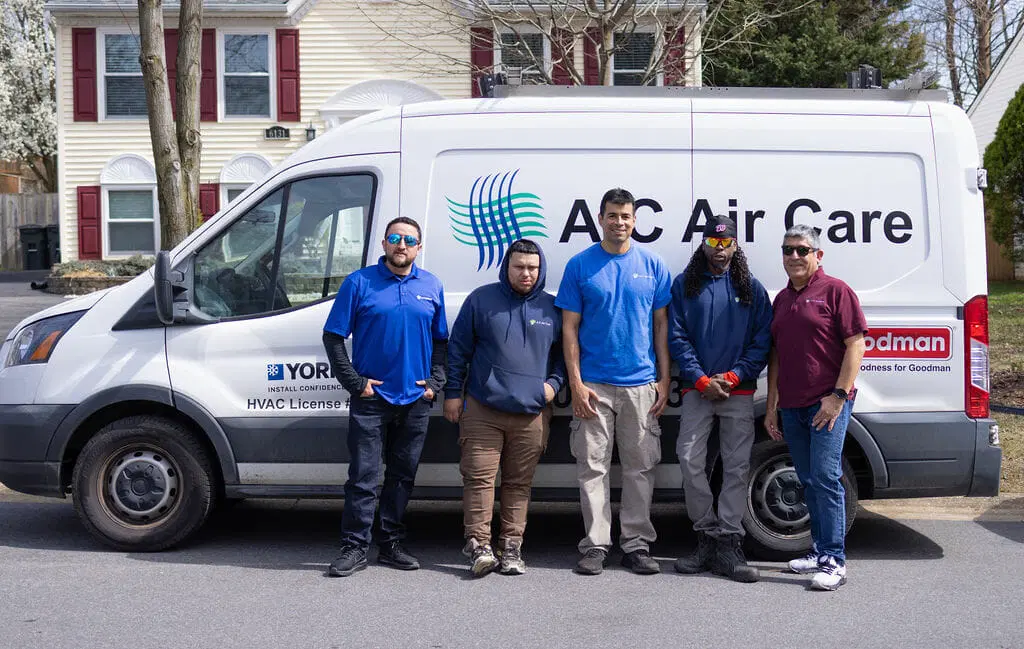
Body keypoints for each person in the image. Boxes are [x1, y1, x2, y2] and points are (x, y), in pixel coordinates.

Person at [322, 216, 448, 577]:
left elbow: (441, 341)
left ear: (419, 248)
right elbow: (333, 337)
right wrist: (354, 382)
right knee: (363, 476)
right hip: (371, 398)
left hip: (415, 399)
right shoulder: (359, 283)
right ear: (384, 244)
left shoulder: (431, 285)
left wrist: (434, 383)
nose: (402, 245)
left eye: (409, 240)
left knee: (402, 476)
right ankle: (355, 546)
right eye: (395, 238)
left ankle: (390, 542)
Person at [556, 187, 673, 576]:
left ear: (635, 220)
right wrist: (575, 383)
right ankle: (596, 545)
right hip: (594, 386)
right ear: (600, 218)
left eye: (625, 216)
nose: (619, 222)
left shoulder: (653, 265)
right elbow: (569, 330)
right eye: (612, 215)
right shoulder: (580, 266)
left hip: (641, 385)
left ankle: (637, 544)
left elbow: (661, 327)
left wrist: (664, 379)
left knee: (640, 468)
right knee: (593, 469)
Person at [443, 239, 565, 577]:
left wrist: (553, 385)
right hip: (483, 408)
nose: (526, 273)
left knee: (518, 483)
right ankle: (479, 546)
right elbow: (458, 350)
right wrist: (453, 394)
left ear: (540, 270)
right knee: (479, 480)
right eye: (519, 267)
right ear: (506, 267)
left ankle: (511, 547)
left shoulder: (552, 308)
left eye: (532, 267)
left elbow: (564, 356)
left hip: (532, 411)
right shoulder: (481, 300)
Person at [668, 214, 772, 583]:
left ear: (736, 246)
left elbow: (762, 341)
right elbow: (676, 336)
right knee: (689, 459)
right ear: (704, 245)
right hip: (697, 391)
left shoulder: (751, 287)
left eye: (727, 244)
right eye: (713, 244)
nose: (720, 251)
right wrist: (699, 379)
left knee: (736, 466)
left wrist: (731, 376)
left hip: (737, 391)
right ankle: (706, 537)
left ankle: (728, 543)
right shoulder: (685, 285)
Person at [764, 224, 867, 591]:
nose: (794, 256)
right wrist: (772, 402)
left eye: (802, 250)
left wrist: (838, 395)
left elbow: (856, 344)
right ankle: (818, 550)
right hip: (792, 404)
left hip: (827, 403)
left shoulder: (836, 291)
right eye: (788, 250)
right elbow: (775, 353)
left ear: (818, 255)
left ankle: (834, 560)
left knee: (825, 477)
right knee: (807, 479)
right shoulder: (782, 299)